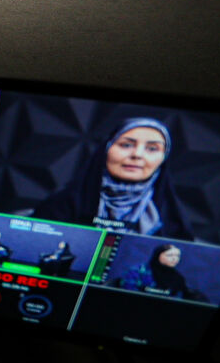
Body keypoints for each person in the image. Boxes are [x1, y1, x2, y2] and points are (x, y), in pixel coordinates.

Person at [33, 117, 193, 239]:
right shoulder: (62, 204)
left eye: (152, 148)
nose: (137, 155)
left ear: (163, 158)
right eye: (126, 145)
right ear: (107, 149)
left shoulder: (172, 217)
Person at [115, 244, 204, 301]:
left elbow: (180, 297)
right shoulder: (138, 270)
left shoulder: (177, 277)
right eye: (170, 255)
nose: (174, 259)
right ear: (158, 255)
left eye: (177, 256)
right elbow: (128, 291)